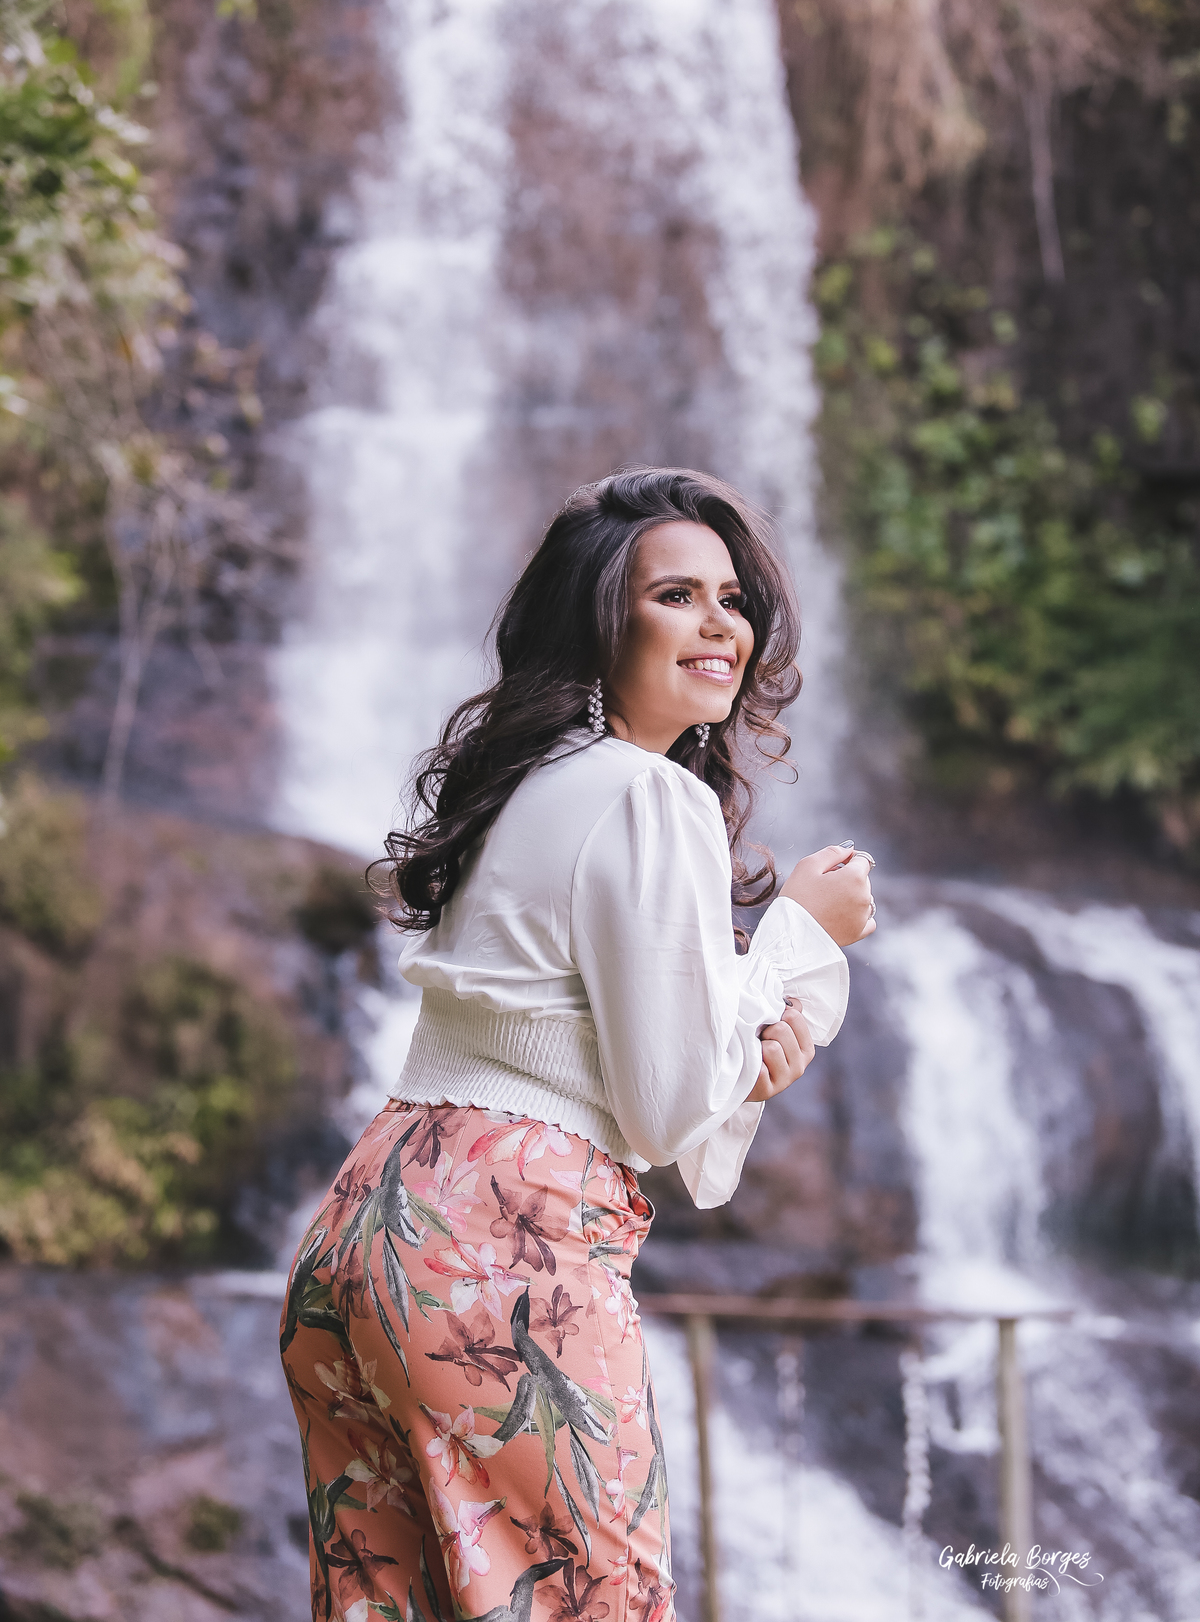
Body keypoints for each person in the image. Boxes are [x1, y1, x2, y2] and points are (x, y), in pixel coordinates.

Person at [280, 468, 875, 1622]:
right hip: (501, 1249)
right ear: (600, 619)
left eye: (733, 599)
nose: (720, 624)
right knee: (596, 1603)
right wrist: (800, 938)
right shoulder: (650, 797)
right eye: (675, 596)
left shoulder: (524, 785)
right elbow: (666, 1111)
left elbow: (610, 1044)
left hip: (369, 1227)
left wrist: (745, 1039)